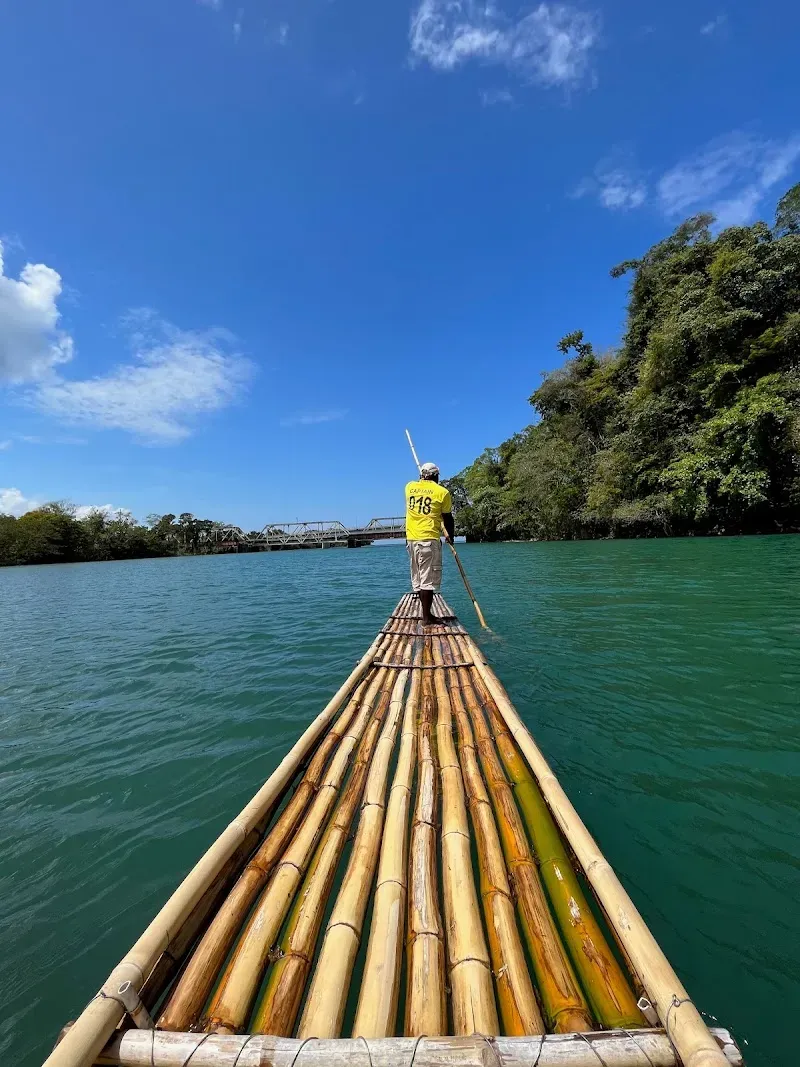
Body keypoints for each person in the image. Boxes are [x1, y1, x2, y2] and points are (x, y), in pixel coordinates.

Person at [405, 462, 455, 627]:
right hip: (428, 539)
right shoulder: (442, 492)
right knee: (428, 580)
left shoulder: (409, 487)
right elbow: (447, 518)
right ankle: (426, 618)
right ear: (436, 476)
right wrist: (450, 537)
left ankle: (427, 614)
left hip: (411, 540)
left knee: (419, 579)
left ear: (421, 475)